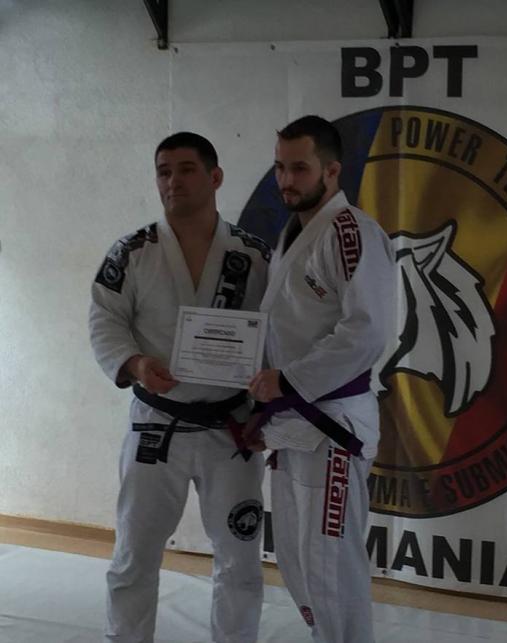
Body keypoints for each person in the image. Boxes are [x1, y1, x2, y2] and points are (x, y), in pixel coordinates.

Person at [89, 132, 269, 643]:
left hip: (231, 427)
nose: (173, 181)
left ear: (215, 177)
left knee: (240, 559)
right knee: (134, 554)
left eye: (186, 169)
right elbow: (105, 318)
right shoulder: (132, 251)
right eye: (164, 171)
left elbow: (278, 333)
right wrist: (135, 363)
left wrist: (268, 410)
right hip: (156, 423)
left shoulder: (255, 255)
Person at [247, 115, 396, 643]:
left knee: (330, 565)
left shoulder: (352, 231)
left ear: (331, 171)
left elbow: (367, 331)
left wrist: (287, 382)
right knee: (297, 560)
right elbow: (289, 328)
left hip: (332, 425)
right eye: (279, 168)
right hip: (294, 424)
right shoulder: (295, 233)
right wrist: (268, 402)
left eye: (299, 169)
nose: (286, 180)